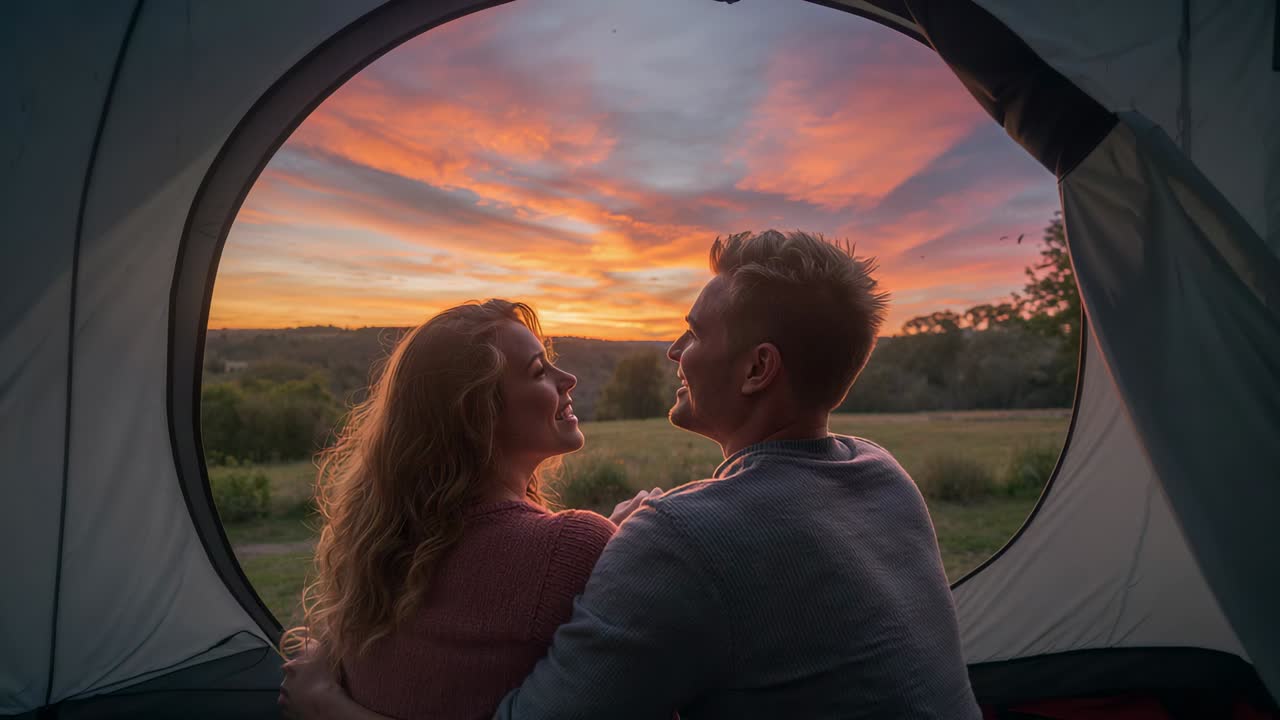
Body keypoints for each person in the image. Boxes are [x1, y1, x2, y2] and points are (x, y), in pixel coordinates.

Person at [281, 230, 984, 719]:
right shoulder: (882, 473)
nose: (674, 349)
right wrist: (632, 537)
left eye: (695, 333)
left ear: (757, 369)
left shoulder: (677, 541)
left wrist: (324, 707)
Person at [278, 299, 652, 720]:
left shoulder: (385, 545)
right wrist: (604, 545)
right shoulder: (568, 547)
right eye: (538, 371)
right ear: (478, 415)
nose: (568, 379)